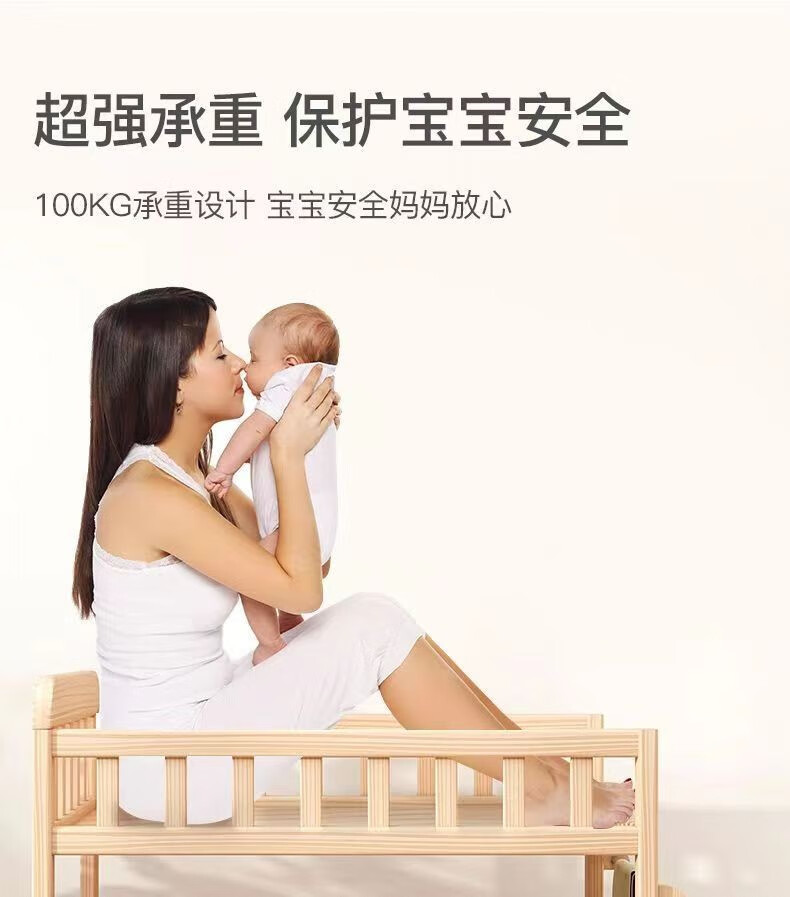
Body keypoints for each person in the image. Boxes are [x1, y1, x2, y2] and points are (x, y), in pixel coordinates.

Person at [72, 286, 635, 826]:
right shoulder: (148, 494)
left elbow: (306, 565)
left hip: (200, 726)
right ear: (173, 384)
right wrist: (286, 454)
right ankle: (542, 787)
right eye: (220, 353)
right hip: (167, 767)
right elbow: (301, 590)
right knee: (374, 627)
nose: (241, 362)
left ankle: (548, 777)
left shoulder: (196, 483)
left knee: (377, 618)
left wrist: (306, 455)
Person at [204, 303, 340, 662]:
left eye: (254, 358)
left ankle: (270, 642)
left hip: (291, 526)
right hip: (315, 525)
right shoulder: (316, 387)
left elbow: (254, 429)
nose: (245, 366)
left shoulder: (288, 384)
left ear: (289, 364)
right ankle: (290, 620)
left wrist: (225, 469)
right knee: (274, 575)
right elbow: (272, 446)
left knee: (250, 576)